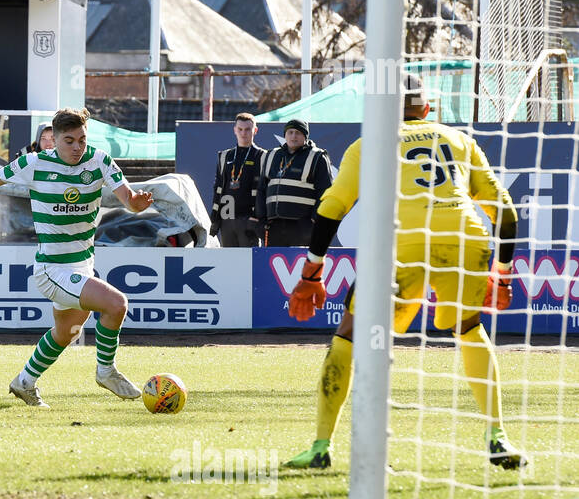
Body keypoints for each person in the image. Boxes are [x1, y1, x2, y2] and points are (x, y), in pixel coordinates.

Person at [284, 75, 526, 470]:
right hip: (466, 240)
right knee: (468, 329)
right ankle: (497, 435)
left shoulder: (368, 146)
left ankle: (321, 446)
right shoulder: (460, 140)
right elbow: (506, 212)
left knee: (350, 334)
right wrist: (502, 272)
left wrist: (313, 270)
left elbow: (332, 207)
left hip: (402, 245)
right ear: (427, 110)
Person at [0, 107, 155, 407]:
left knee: (65, 333)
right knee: (117, 304)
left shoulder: (100, 160)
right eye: (69, 141)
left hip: (82, 266)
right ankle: (106, 371)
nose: (78, 147)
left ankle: (24, 382)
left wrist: (137, 203)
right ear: (53, 139)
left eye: (82, 139)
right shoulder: (35, 163)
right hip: (52, 270)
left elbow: (128, 199)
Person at [256, 118, 333, 247]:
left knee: (300, 265)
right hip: (274, 227)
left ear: (305, 136)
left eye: (298, 132)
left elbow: (326, 191)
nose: (293, 136)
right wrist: (261, 220)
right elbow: (261, 190)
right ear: (285, 135)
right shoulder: (272, 155)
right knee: (271, 265)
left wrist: (314, 220)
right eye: (290, 132)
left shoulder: (317, 157)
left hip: (302, 227)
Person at [209, 112, 266, 248]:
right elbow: (218, 187)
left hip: (249, 219)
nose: (243, 133)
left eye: (247, 129)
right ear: (234, 130)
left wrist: (258, 217)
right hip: (227, 218)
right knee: (229, 261)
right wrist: (215, 218)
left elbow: (265, 189)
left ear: (255, 131)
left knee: (250, 262)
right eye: (240, 129)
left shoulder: (262, 155)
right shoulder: (225, 156)